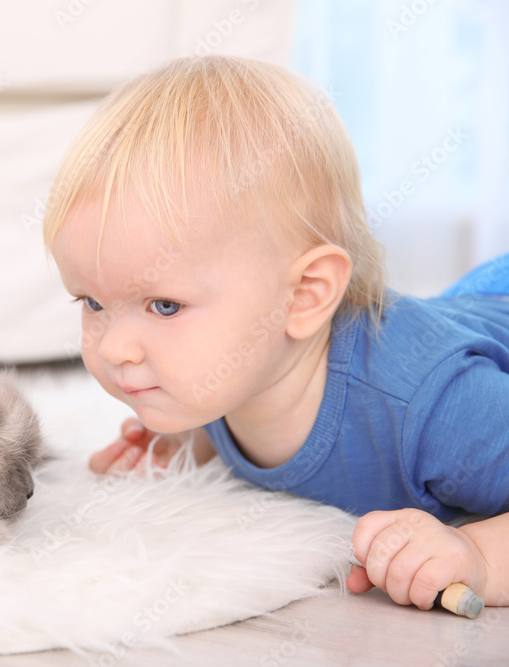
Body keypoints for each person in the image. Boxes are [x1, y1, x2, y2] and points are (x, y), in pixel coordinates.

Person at [42, 55, 509, 610]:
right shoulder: (226, 374)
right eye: (93, 302)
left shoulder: (436, 410)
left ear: (304, 295)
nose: (115, 348)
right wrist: (187, 441)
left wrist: (479, 556)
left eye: (164, 306)